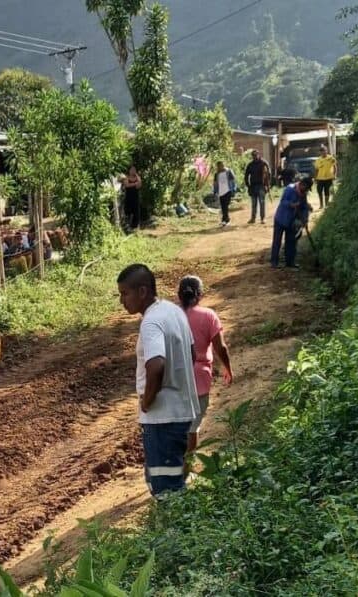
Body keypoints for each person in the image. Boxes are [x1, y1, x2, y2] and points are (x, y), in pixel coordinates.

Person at [117, 264, 199, 497]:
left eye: (125, 293)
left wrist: (147, 401)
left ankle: (180, 522)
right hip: (181, 413)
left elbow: (157, 365)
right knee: (171, 481)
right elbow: (192, 354)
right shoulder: (174, 311)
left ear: (142, 291)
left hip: (162, 419)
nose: (122, 301)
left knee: (167, 491)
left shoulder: (151, 322)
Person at [177, 276, 233, 468]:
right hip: (199, 378)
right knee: (192, 428)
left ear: (179, 295)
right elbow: (221, 347)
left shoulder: (171, 316)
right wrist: (228, 368)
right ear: (200, 295)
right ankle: (186, 469)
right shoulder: (208, 316)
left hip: (173, 378)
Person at [272, 176, 313, 269]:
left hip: (291, 221)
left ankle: (290, 262)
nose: (306, 190)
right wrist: (291, 204)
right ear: (302, 184)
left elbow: (304, 207)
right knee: (277, 241)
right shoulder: (289, 189)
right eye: (306, 188)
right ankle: (274, 262)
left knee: (291, 241)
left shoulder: (303, 194)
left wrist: (305, 219)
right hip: (281, 219)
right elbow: (283, 202)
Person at [243, 149, 271, 224]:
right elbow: (246, 175)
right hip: (253, 186)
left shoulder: (264, 163)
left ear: (258, 155)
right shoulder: (250, 165)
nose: (254, 156)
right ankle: (253, 218)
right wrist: (248, 185)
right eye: (253, 155)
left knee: (262, 203)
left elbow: (268, 174)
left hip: (261, 186)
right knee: (254, 204)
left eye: (256, 155)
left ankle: (262, 218)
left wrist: (267, 185)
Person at [212, 161, 237, 228]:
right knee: (223, 207)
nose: (219, 167)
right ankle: (225, 220)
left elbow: (233, 180)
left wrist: (234, 189)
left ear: (223, 165)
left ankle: (226, 220)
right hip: (221, 192)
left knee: (225, 205)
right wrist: (214, 191)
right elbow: (215, 183)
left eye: (221, 165)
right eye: (218, 166)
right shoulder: (216, 174)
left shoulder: (228, 171)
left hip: (228, 191)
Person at [314, 145, 337, 209]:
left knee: (327, 192)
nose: (323, 152)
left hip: (328, 178)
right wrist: (315, 178)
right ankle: (321, 205)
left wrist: (335, 175)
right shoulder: (318, 160)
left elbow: (335, 167)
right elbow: (316, 170)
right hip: (320, 178)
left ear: (327, 151)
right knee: (319, 191)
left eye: (324, 151)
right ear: (320, 152)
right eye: (322, 151)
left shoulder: (331, 158)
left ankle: (326, 204)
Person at [122, 166, 143, 231]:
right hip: (128, 197)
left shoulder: (138, 177)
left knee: (136, 212)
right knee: (128, 211)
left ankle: (135, 227)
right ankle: (127, 226)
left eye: (134, 169)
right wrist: (135, 184)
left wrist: (137, 179)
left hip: (136, 197)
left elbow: (139, 186)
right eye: (132, 169)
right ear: (129, 171)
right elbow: (126, 185)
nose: (133, 171)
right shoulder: (126, 177)